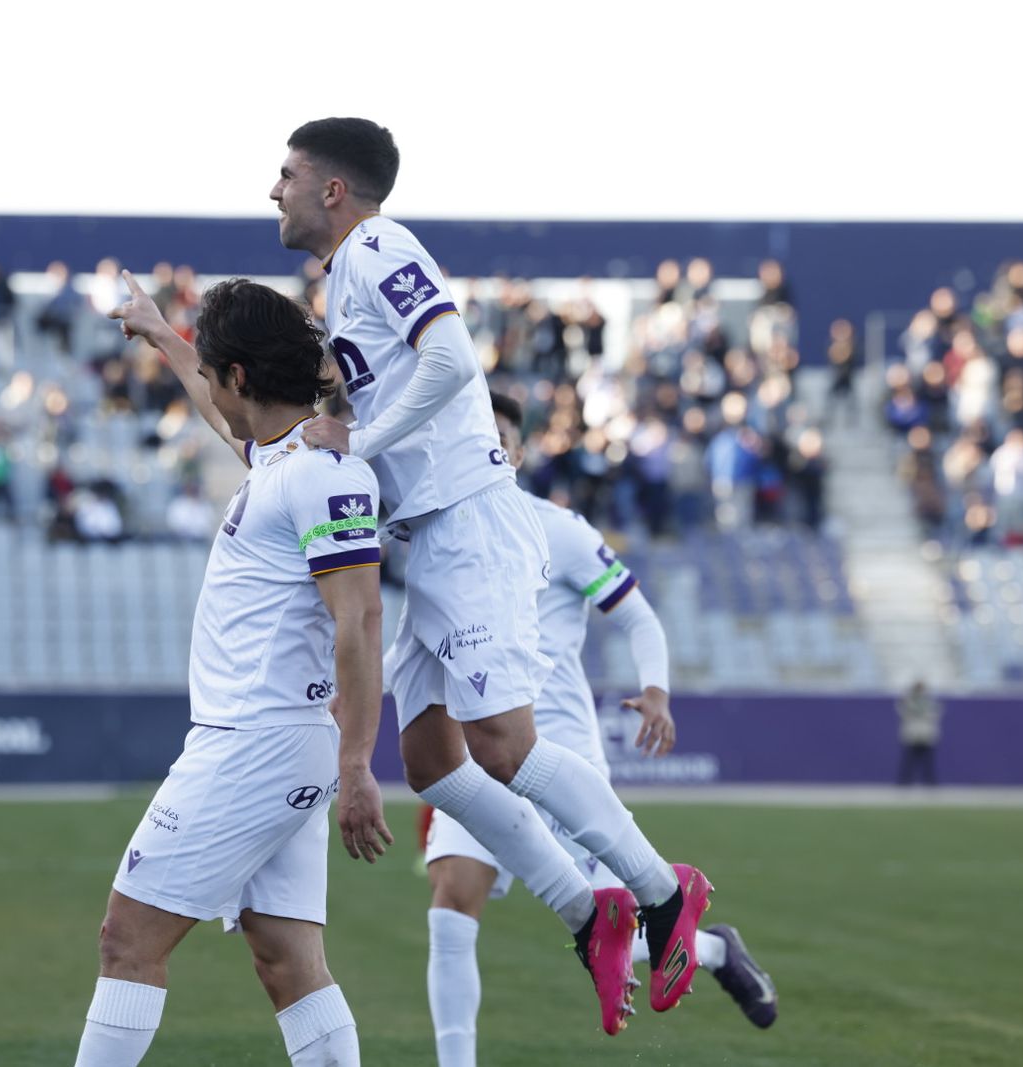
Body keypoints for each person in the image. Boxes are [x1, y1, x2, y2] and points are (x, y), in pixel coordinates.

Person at [275, 117, 708, 1035]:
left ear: (333, 191)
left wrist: (362, 447)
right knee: (433, 763)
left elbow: (450, 356)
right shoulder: (344, 278)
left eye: (286, 175)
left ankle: (663, 892)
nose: (272, 191)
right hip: (430, 538)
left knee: (504, 744)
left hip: (468, 519)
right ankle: (592, 917)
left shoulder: (381, 243)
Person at [79, 276, 392, 1067]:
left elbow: (359, 618)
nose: (209, 385)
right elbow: (205, 385)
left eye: (217, 371)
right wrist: (158, 332)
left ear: (243, 379)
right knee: (287, 960)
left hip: (255, 741)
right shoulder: (282, 456)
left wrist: (358, 762)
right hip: (275, 741)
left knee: (128, 940)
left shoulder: (322, 473)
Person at [422, 395, 778, 1064]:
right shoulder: (439, 529)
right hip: (475, 743)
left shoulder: (559, 531)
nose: (485, 448)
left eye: (499, 437)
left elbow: (639, 616)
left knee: (605, 920)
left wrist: (655, 690)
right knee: (451, 901)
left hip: (552, 749)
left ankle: (712, 947)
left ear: (519, 452)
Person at [895, 680, 942, 786]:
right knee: (909, 761)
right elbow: (903, 712)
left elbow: (935, 714)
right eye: (918, 688)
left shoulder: (929, 702)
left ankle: (930, 782)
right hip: (913, 735)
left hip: (925, 735)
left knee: (927, 762)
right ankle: (904, 782)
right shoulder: (908, 701)